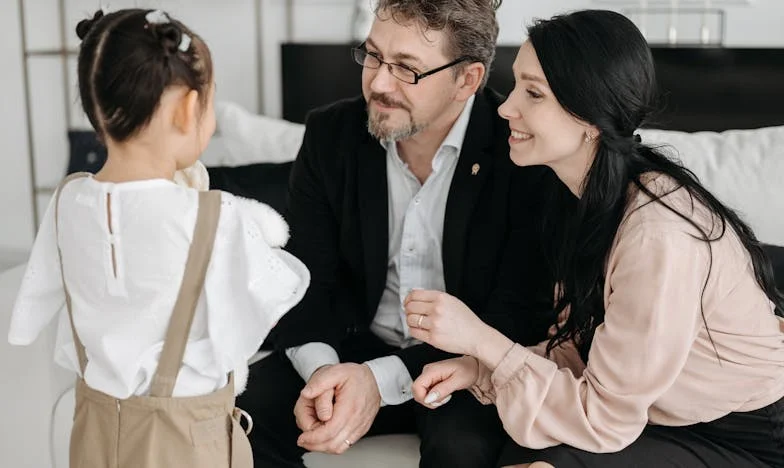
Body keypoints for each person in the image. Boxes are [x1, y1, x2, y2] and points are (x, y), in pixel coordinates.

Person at [405, 9, 784, 468]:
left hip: (743, 433)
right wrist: (477, 368)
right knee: (512, 444)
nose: (506, 107)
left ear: (589, 118)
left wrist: (479, 340)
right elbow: (581, 351)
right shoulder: (582, 199)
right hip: (652, 414)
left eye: (533, 93)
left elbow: (603, 416)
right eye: (517, 85)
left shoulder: (656, 234)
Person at [236, 0, 563, 466]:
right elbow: (304, 280)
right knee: (241, 417)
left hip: (466, 364)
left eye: (407, 69)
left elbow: (517, 315)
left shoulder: (520, 152)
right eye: (373, 56)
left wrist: (379, 381)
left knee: (463, 447)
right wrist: (327, 375)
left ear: (467, 80)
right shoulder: (331, 134)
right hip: (350, 346)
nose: (378, 83)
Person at [7, 8, 309, 467]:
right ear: (188, 109)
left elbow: (34, 306)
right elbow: (265, 308)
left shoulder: (67, 200)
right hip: (186, 443)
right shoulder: (214, 215)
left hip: (95, 434)